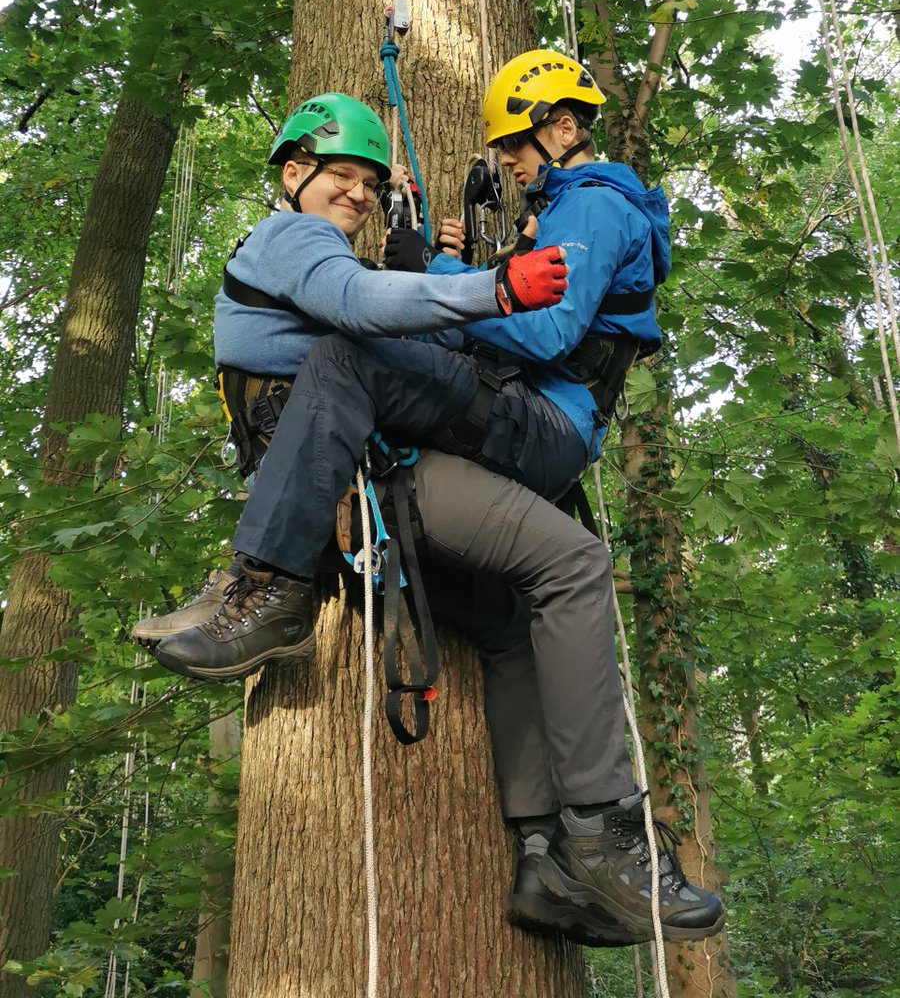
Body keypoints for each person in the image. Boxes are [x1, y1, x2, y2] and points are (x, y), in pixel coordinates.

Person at [135, 73, 724, 945]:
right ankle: (584, 837)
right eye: (342, 175)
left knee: (522, 610)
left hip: (373, 496)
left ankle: (548, 858)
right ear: (293, 172)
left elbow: (411, 319)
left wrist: (445, 273)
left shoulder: (563, 213)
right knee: (556, 571)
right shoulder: (290, 236)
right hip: (371, 488)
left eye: (369, 184)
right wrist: (483, 284)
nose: (358, 193)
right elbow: (362, 309)